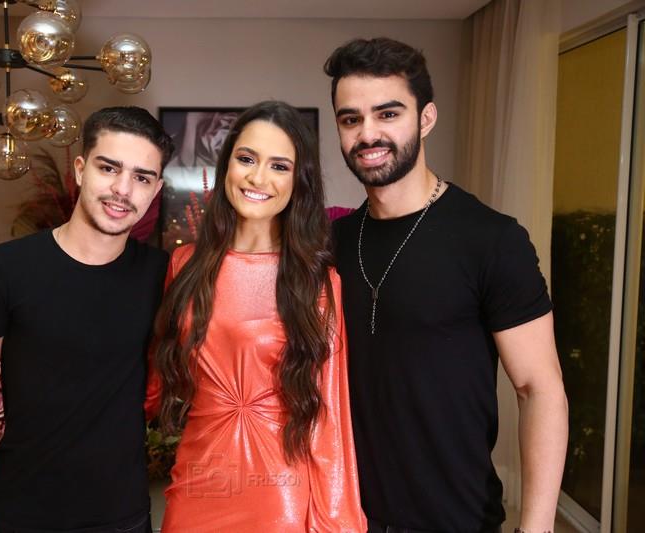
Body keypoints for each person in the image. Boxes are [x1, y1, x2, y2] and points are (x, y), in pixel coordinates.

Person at [324, 38, 569, 533]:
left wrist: (537, 527)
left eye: (388, 113)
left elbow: (539, 389)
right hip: (346, 517)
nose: (368, 133)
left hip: (457, 518)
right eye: (351, 119)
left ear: (426, 118)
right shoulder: (334, 241)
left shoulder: (491, 238)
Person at [0, 106, 174, 533]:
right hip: (19, 511)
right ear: (80, 169)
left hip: (121, 515)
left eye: (142, 178)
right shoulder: (3, 269)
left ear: (156, 189)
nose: (123, 189)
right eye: (109, 168)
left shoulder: (162, 275)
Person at [147, 101, 366, 532]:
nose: (258, 178)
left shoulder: (316, 283)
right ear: (227, 164)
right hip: (195, 483)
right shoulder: (184, 265)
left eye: (279, 166)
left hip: (277, 495)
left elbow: (328, 418)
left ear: (297, 182)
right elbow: (152, 386)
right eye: (247, 159)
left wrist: (335, 523)